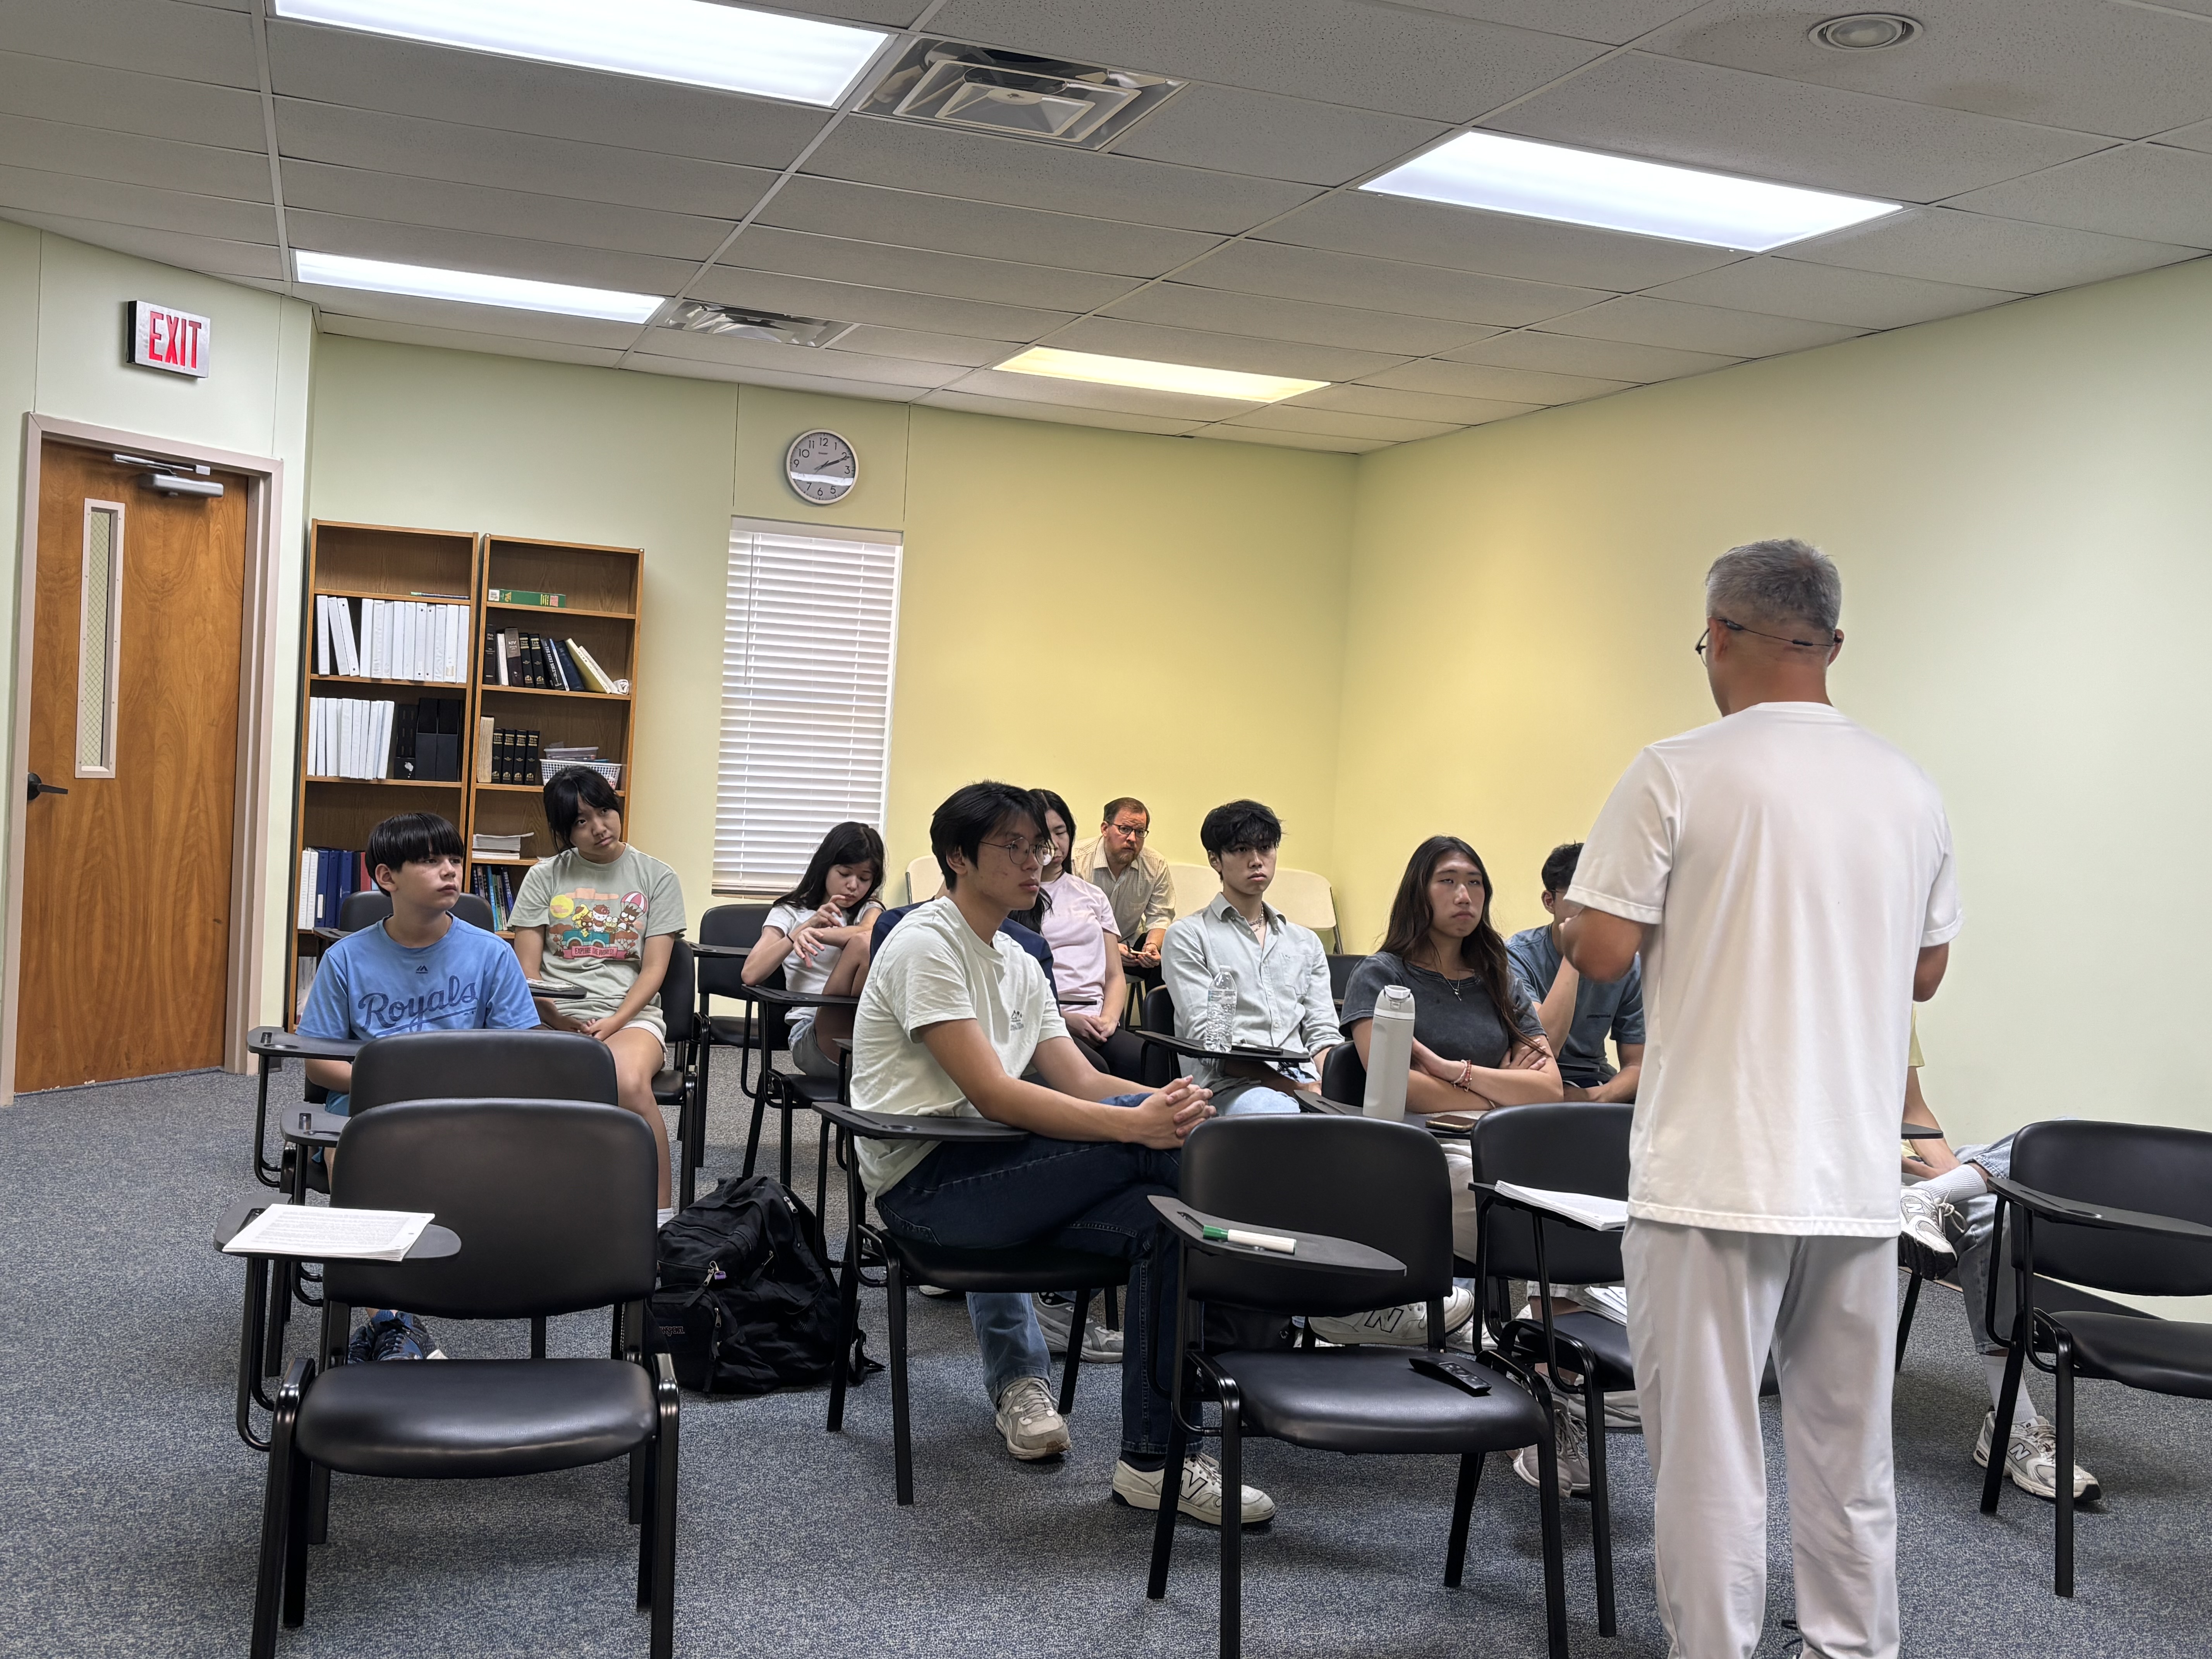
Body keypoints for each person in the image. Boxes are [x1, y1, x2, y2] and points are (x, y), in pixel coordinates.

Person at [1560, 538, 1959, 1659]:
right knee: (1850, 1453)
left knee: (1709, 1460)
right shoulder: (1909, 785)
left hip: (1714, 1175)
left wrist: (1579, 917)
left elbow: (1601, 951)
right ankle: (1852, 1647)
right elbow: (1927, 972)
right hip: (1854, 1178)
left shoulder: (1676, 768)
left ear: (1720, 636)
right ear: (1831, 643)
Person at [849, 780, 1273, 1527]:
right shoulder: (924, 942)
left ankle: (1155, 1460)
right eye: (1012, 846)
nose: (1035, 860)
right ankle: (1299, 1305)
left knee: (1167, 1221)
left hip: (1008, 1176)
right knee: (1165, 1151)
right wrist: (1139, 1124)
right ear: (958, 857)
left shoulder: (1017, 955)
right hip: (929, 1191)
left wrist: (1170, 1103)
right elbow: (995, 1094)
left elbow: (1079, 1078)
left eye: (1039, 846)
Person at [297, 811, 539, 1362]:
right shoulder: (345, 960)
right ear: (387, 877)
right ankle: (393, 1324)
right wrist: (390, 1085)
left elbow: (520, 1056)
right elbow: (319, 1064)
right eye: (431, 861)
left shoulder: (492, 954)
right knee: (351, 1158)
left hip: (467, 1112)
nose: (451, 871)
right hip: (367, 1112)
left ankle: (400, 1328)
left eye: (454, 859)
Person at [1323, 835, 1559, 1353]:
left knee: (1570, 1192)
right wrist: (1501, 1090)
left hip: (1499, 1142)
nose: (1464, 896)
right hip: (1419, 1145)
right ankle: (1532, 1331)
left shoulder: (1499, 978)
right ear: (1419, 892)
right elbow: (1396, 1085)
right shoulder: (1383, 975)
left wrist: (1455, 1072)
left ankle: (1538, 1329)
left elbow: (1549, 1088)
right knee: (1521, 1210)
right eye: (1448, 881)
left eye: (1475, 883)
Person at [1897, 1017, 2099, 1501]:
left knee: (2058, 1144)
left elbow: (1912, 1110)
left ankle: (2010, 1425)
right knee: (1999, 1209)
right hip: (1853, 1176)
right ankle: (2018, 1422)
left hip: (1917, 1183)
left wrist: (1954, 1179)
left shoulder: (1894, 999)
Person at [512, 766, 686, 1223]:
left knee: (626, 1083)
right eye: (581, 821)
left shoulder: (657, 877)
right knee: (515, 1085)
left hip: (631, 1018)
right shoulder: (544, 877)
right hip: (553, 1016)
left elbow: (654, 971)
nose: (599, 827)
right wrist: (557, 1020)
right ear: (564, 832)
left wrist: (615, 1022)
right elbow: (527, 974)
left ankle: (659, 1218)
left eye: (605, 811)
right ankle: (534, 1211)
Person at [1160, 799, 1340, 1116]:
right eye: (1242, 849)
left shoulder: (1305, 942)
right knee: (1282, 1116)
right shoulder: (1188, 936)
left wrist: (1333, 1084)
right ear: (1215, 860)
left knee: (1377, 1120)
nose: (1257, 861)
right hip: (1231, 1088)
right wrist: (1297, 1089)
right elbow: (1211, 1044)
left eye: (1266, 848)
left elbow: (1322, 1032)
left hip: (1310, 1084)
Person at [742, 821, 886, 1078]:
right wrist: (801, 931)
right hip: (812, 1035)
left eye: (865, 879)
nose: (854, 886)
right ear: (825, 867)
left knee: (869, 943)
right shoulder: (790, 912)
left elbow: (868, 931)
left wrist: (820, 935)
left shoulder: (869, 910)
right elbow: (751, 974)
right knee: (863, 945)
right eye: (845, 874)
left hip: (868, 1032)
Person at [1505, 842, 1645, 1103]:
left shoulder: (1626, 965)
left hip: (1593, 1081)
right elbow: (1545, 1048)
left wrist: (1594, 1097)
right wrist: (1574, 954)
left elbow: (1637, 1064)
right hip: (1534, 1077)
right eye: (1583, 899)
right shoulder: (1517, 955)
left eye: (1603, 899)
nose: (1595, 912)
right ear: (1550, 902)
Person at [1026, 788, 1143, 1084]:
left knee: (1148, 1058)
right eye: (1044, 835)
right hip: (1047, 1021)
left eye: (1061, 832)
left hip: (1097, 1016)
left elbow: (1114, 975)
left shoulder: (1093, 896)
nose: (1055, 844)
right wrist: (1065, 1020)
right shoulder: (1016, 898)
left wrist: (1110, 1021)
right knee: (1095, 1069)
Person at [1071, 797, 1173, 986]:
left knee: (1170, 949)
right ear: (1105, 829)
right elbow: (1069, 922)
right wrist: (1108, 947)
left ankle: (1156, 1007)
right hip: (1084, 947)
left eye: (1140, 832)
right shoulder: (1076, 861)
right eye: (1125, 829)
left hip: (1131, 950)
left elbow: (1161, 916)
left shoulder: (1155, 864)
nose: (1132, 839)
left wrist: (1152, 946)